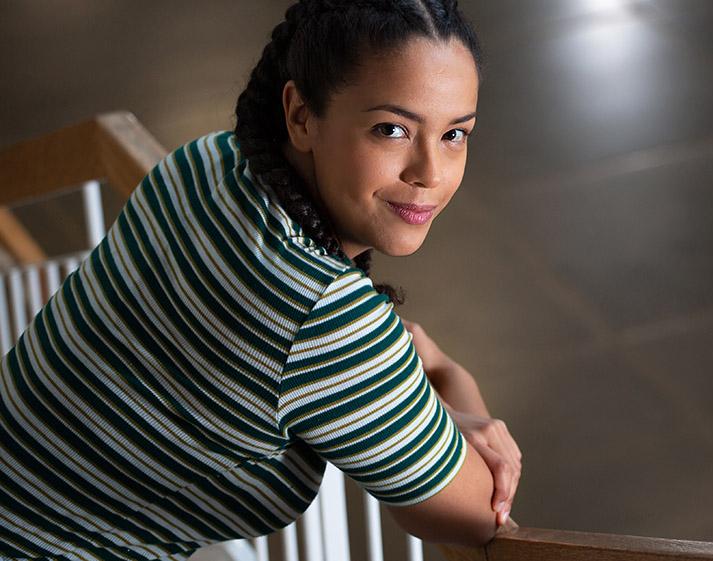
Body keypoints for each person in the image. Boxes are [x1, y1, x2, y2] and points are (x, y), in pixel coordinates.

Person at [0, 1, 521, 559]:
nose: (430, 173)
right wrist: (442, 371)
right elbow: (476, 516)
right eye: (391, 129)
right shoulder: (321, 316)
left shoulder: (206, 164)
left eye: (455, 134)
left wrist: (408, 396)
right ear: (300, 115)